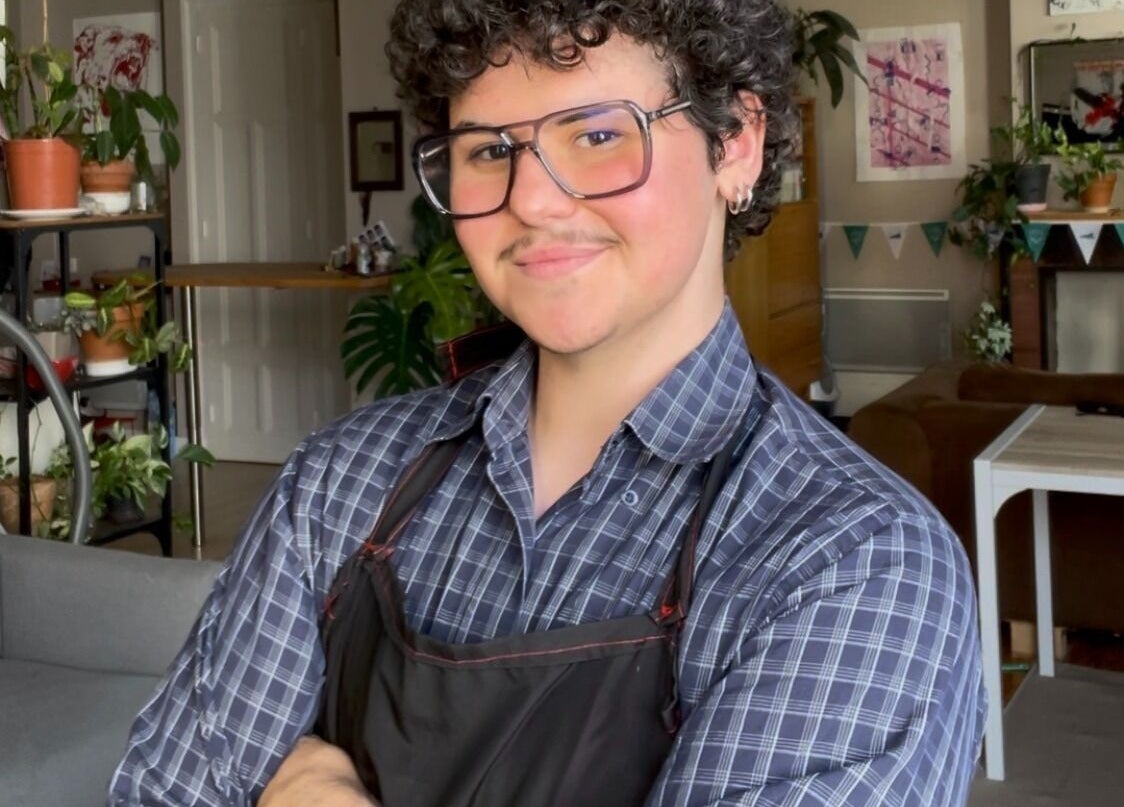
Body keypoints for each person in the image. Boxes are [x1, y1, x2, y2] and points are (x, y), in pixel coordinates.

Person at [109, 1, 986, 804]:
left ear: (736, 146)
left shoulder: (854, 562)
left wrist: (311, 788)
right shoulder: (338, 485)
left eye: (598, 134)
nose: (530, 200)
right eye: (489, 151)